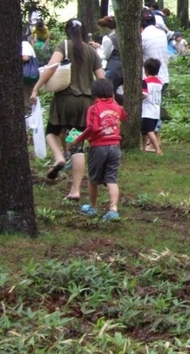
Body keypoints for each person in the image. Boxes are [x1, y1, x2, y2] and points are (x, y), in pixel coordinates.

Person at [30, 19, 105, 200]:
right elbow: (101, 79)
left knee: (52, 132)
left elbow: (52, 67)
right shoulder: (92, 51)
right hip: (85, 103)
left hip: (65, 99)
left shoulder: (63, 45)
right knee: (77, 145)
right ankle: (76, 190)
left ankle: (59, 157)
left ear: (67, 32)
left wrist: (36, 87)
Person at [67, 79, 126, 221]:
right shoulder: (116, 107)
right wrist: (115, 104)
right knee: (111, 178)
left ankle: (93, 207)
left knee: (93, 179)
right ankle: (113, 210)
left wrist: (78, 139)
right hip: (115, 147)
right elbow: (124, 116)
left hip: (98, 147)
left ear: (94, 92)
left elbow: (92, 128)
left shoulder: (94, 108)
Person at [94, 16, 123, 104]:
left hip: (112, 68)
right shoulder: (118, 36)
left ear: (106, 28)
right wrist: (100, 47)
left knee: (109, 92)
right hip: (121, 68)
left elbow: (104, 55)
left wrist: (96, 49)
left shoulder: (108, 39)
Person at [141, 58, 164, 155]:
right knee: (144, 130)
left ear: (146, 70)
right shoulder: (160, 82)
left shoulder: (145, 81)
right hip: (156, 109)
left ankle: (158, 149)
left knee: (149, 131)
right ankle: (144, 148)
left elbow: (144, 94)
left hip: (147, 110)